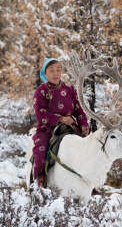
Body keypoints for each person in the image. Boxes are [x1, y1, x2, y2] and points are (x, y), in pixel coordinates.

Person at [31, 58, 89, 187]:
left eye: (58, 69)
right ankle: (39, 179)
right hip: (47, 127)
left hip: (70, 126)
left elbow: (79, 109)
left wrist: (84, 124)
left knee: (87, 149)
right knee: (40, 150)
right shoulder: (41, 91)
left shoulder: (70, 90)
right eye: (51, 70)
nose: (55, 73)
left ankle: (89, 183)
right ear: (45, 74)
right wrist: (60, 119)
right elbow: (40, 113)